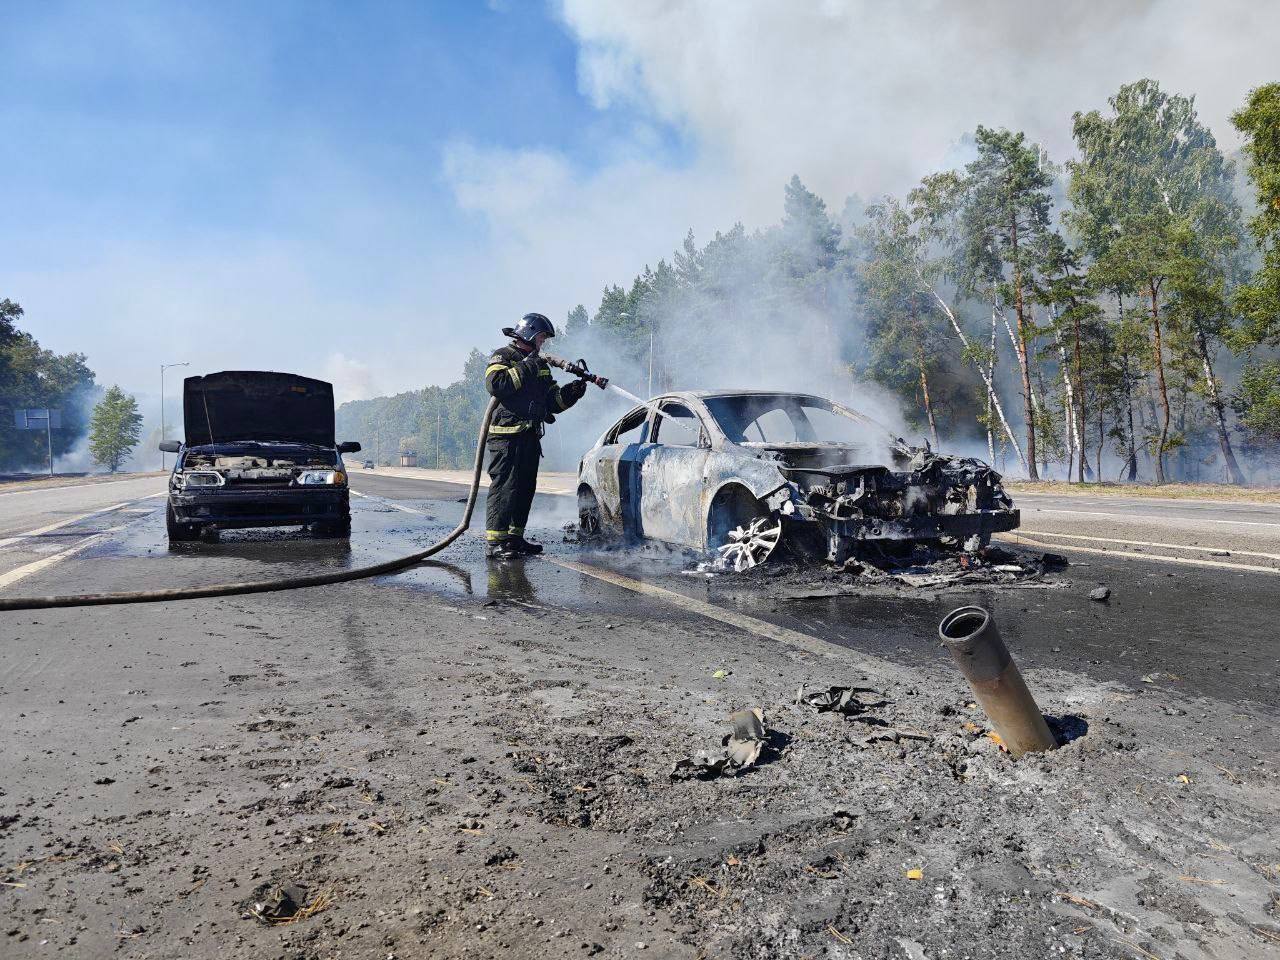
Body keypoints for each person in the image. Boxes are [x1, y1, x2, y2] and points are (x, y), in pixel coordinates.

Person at [482, 312, 587, 560]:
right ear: (528, 333)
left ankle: (515, 539)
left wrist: (571, 393)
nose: (543, 343)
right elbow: (496, 385)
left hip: (530, 436)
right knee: (505, 487)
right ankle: (496, 543)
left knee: (525, 488)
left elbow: (552, 401)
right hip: (505, 438)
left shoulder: (539, 365)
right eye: (541, 338)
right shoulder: (503, 356)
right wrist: (528, 364)